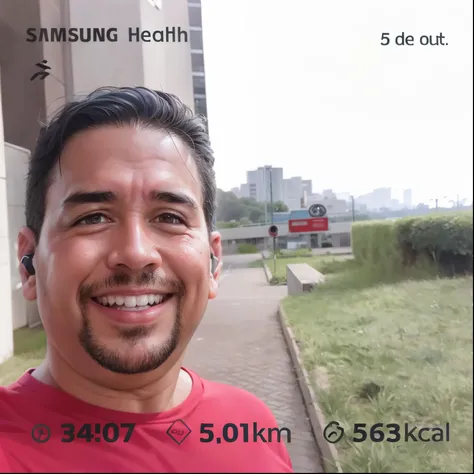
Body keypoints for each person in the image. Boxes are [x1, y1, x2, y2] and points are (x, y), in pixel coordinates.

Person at [0, 87, 293, 472]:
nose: (136, 254)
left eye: (170, 217)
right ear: (29, 264)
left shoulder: (252, 425)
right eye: (93, 218)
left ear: (213, 263)